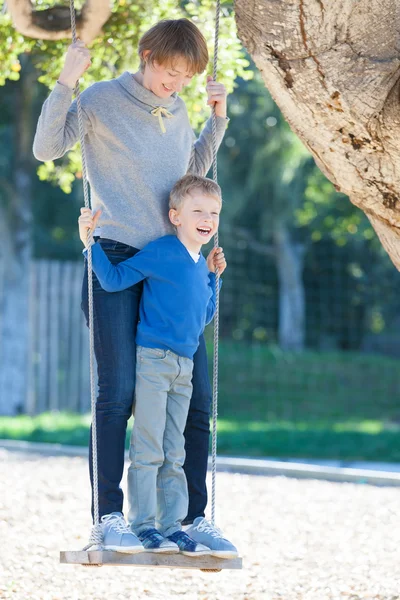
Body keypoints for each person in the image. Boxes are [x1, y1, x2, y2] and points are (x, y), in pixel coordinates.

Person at [33, 19, 237, 555]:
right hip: (120, 260)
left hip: (173, 266)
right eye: (170, 72)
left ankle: (191, 520)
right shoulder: (101, 99)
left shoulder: (178, 108)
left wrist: (216, 121)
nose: (175, 83)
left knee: (194, 402)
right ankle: (108, 516)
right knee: (118, 392)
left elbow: (188, 173)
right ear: (147, 55)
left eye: (185, 77)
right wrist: (66, 83)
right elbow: (46, 148)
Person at [79, 174, 235, 557]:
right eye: (198, 210)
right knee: (149, 448)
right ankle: (143, 524)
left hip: (183, 368)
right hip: (153, 362)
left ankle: (171, 526)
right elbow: (115, 281)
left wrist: (215, 280)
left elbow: (202, 317)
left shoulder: (200, 263)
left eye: (214, 212)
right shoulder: (162, 250)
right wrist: (90, 245)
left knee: (174, 452)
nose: (207, 218)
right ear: (175, 215)